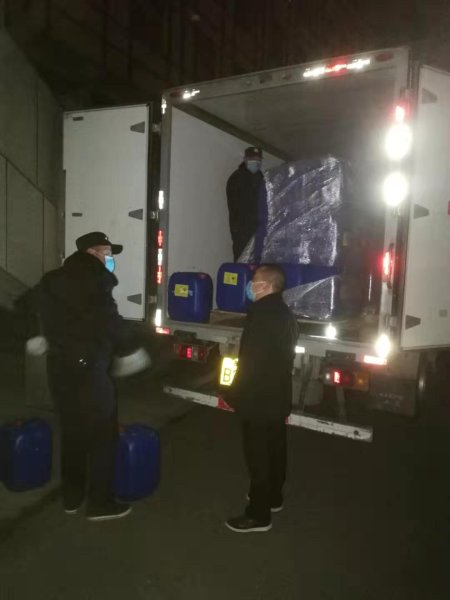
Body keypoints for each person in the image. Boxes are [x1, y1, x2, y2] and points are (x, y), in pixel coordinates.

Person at [40, 231, 134, 522]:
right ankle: (100, 504)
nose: (110, 258)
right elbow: (107, 320)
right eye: (107, 252)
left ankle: (72, 497)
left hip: (59, 368)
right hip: (89, 371)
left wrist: (36, 336)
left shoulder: (53, 278)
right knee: (103, 436)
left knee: (72, 433)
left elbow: (27, 307)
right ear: (92, 252)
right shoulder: (94, 278)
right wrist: (130, 350)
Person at [223, 265, 298, 533]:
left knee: (258, 455)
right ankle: (273, 497)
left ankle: (258, 514)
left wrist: (233, 392)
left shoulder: (263, 314)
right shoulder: (284, 312)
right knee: (275, 447)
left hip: (258, 396)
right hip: (276, 393)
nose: (250, 284)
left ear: (266, 286)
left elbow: (250, 362)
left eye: (254, 280)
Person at [226, 146, 264, 261]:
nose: (256, 162)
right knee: (243, 260)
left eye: (258, 160)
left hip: (259, 229)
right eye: (252, 159)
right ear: (245, 159)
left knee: (258, 262)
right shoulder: (237, 178)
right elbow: (239, 206)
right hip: (242, 230)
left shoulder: (260, 178)